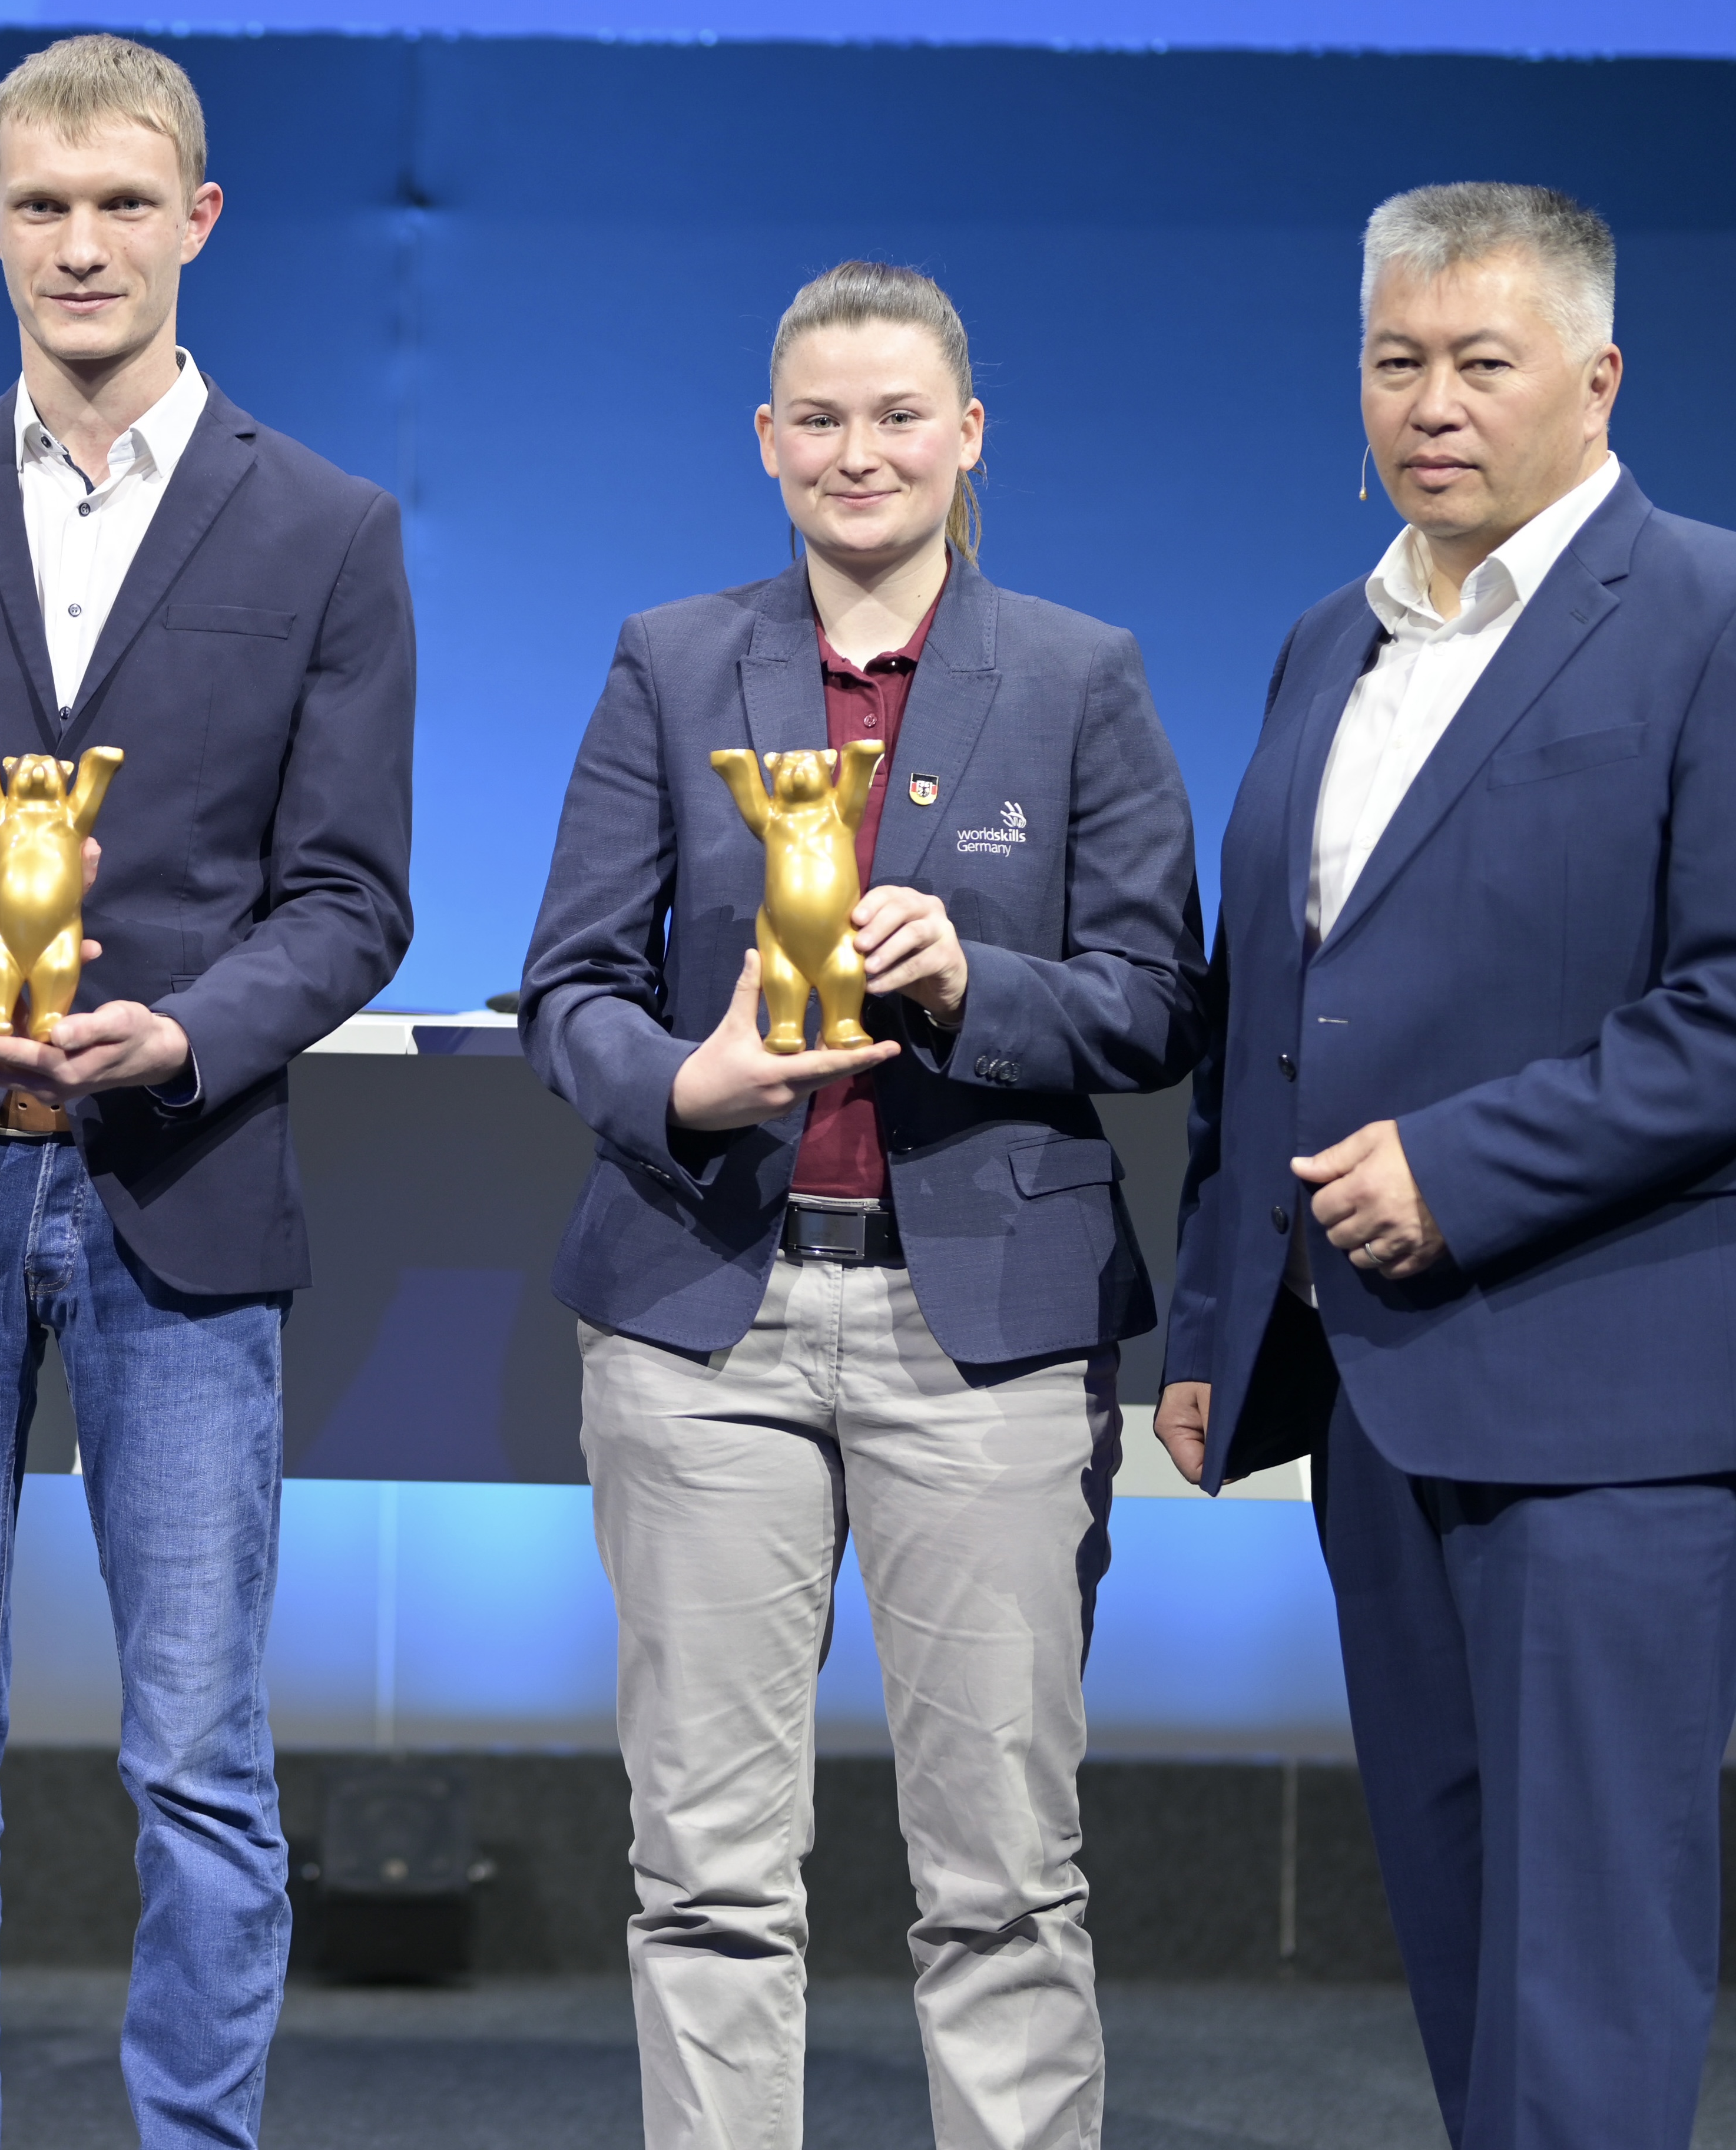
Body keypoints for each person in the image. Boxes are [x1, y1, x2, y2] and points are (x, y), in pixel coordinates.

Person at [0, 34, 414, 2150]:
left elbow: (354, 897)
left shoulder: (325, 526)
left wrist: (197, 1031)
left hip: (180, 1184)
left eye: (126, 203)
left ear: (200, 221)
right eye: (43, 205)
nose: (84, 243)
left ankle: (190, 2138)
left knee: (198, 1750)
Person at [1158, 183, 1736, 2150]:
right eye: (1397, 360)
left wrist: (1463, 1168)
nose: (1430, 404)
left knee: (1589, 1958)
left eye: (1481, 361)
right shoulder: (1325, 643)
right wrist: (1226, 1309)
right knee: (1467, 1935)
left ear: (1598, 377)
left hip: (1621, 1385)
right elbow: (1270, 1006)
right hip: (1377, 1385)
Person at [522, 262, 1205, 2150]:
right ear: (766, 442)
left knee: (1001, 1880)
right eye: (818, 418)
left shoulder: (1079, 676)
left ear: (967, 433)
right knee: (709, 1876)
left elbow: (1159, 1004)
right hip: (703, 1321)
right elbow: (567, 986)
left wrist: (980, 985)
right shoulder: (672, 660)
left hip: (982, 1334)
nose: (859, 451)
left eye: (899, 413)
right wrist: (685, 1080)